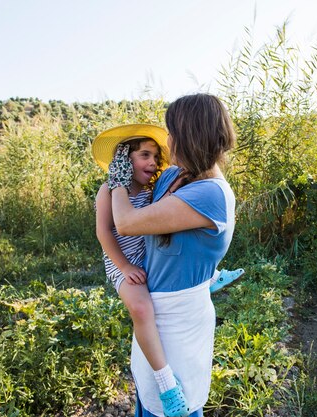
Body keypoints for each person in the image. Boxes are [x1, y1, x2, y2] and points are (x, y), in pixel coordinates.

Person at [92, 121, 241, 417]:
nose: (159, 157)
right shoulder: (117, 190)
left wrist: (125, 181)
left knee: (172, 400)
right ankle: (165, 382)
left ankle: (208, 277)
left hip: (167, 297)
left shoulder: (199, 191)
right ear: (124, 160)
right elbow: (108, 231)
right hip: (124, 264)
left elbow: (152, 232)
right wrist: (123, 267)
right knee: (142, 312)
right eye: (144, 155)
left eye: (157, 154)